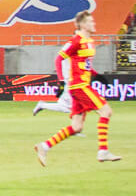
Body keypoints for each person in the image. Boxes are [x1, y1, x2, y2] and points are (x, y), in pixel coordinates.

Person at [35, 9, 121, 166]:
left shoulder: (90, 41)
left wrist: (96, 75)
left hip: (82, 85)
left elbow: (84, 64)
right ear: (82, 25)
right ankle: (103, 151)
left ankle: (44, 146)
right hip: (79, 86)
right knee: (106, 111)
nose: (94, 23)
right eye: (91, 21)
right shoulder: (76, 41)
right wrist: (61, 82)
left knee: (77, 127)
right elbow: (58, 59)